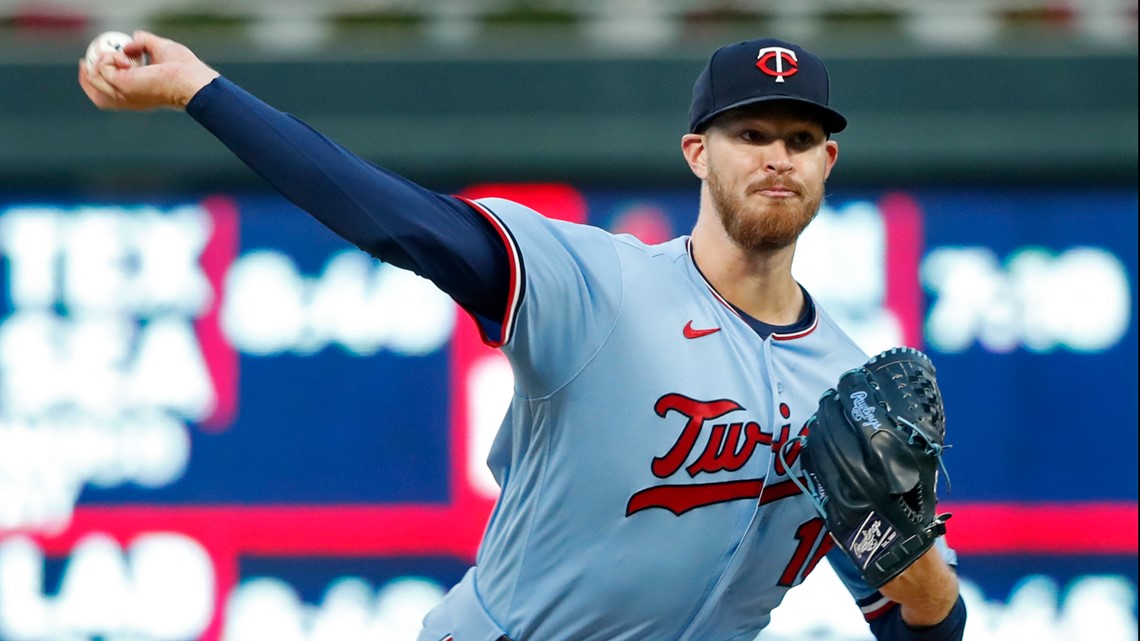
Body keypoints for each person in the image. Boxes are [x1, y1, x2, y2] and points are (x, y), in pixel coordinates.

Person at [80, 32, 967, 641]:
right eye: (751, 133)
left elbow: (920, 623)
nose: (777, 155)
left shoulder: (852, 381)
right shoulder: (595, 284)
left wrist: (907, 544)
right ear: (698, 152)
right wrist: (202, 89)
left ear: (827, 163)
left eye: (801, 137)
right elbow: (395, 219)